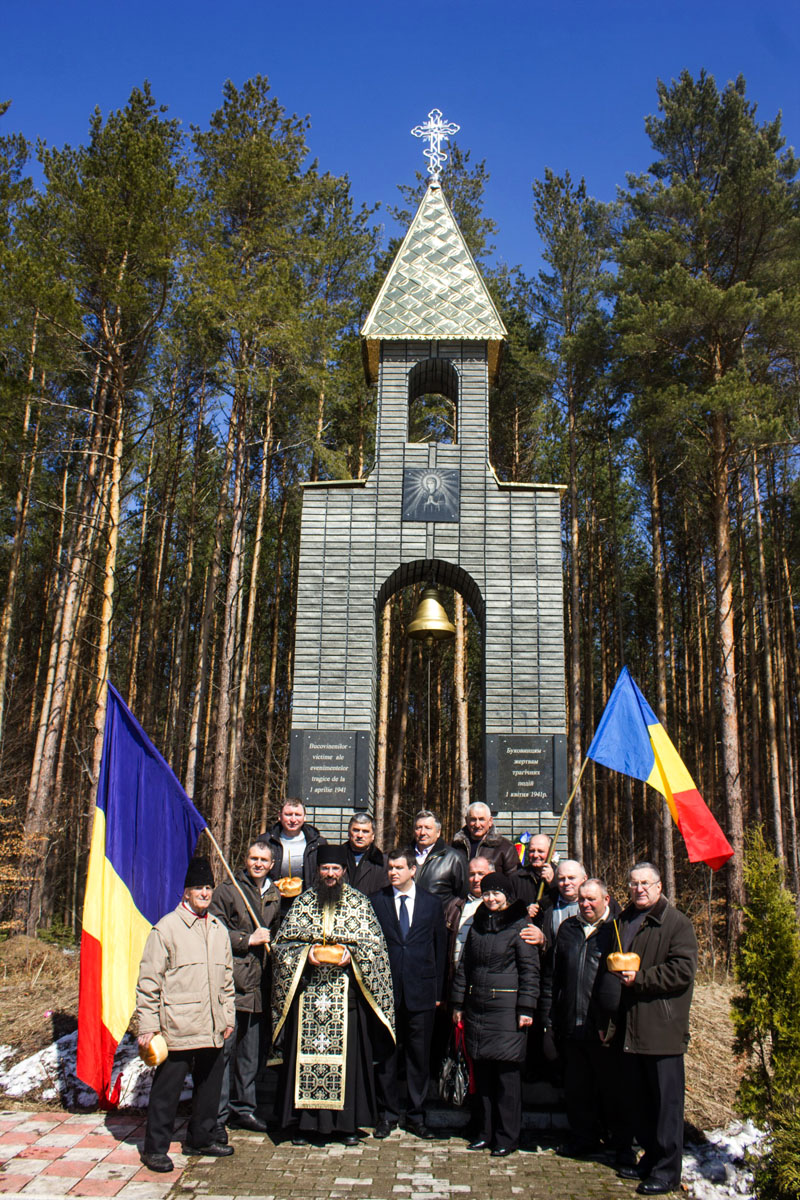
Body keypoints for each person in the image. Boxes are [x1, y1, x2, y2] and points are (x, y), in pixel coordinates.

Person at [271, 845, 395, 1145]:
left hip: (346, 997)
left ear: (344, 872)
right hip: (309, 999)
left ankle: (346, 1126)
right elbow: (282, 945)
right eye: (325, 869)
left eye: (335, 869)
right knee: (305, 1062)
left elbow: (375, 948)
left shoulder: (359, 903)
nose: (330, 874)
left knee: (348, 1063)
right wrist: (307, 953)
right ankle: (305, 1125)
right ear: (318, 871)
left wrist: (350, 957)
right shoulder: (303, 902)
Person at [135, 857, 235, 1173]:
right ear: (186, 893)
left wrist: (228, 1017)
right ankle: (155, 1149)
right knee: (167, 1092)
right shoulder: (166, 929)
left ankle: (200, 1139)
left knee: (209, 1088)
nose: (204, 893)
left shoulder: (219, 929)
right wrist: (148, 1026)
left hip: (213, 1025)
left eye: (208, 887)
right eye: (198, 888)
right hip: (176, 1026)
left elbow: (228, 979)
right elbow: (149, 982)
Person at [609, 862, 698, 1196]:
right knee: (641, 1103)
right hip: (630, 1027)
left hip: (662, 1028)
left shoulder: (676, 924)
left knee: (665, 1106)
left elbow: (682, 971)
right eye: (633, 883)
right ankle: (649, 1158)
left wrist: (640, 980)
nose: (639, 889)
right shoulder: (624, 921)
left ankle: (667, 1170)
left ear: (660, 886)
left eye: (646, 883)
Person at [451, 873, 539, 1157]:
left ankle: (507, 1136)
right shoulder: (477, 924)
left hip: (507, 1013)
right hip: (477, 1009)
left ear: (508, 896)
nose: (490, 898)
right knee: (484, 1077)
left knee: (506, 1079)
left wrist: (526, 1008)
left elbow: (529, 971)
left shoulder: (520, 926)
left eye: (496, 894)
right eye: (487, 893)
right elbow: (465, 967)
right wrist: (458, 1003)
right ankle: (484, 1132)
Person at [539, 877, 626, 1161]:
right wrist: (549, 1017)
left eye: (592, 899)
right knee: (576, 1088)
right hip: (570, 1022)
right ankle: (582, 1138)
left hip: (602, 1026)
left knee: (609, 1088)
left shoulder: (617, 931)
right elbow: (553, 976)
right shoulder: (568, 929)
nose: (586, 904)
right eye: (582, 900)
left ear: (606, 900)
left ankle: (616, 1140)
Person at [371, 848, 447, 1140]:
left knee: (418, 1058)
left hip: (422, 992)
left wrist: (439, 990)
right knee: (387, 1056)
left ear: (413, 870)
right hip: (386, 993)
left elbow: (439, 947)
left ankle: (416, 1115)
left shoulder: (431, 903)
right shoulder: (377, 901)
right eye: (390, 868)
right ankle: (387, 1115)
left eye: (399, 868)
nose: (393, 873)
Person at [209, 840, 281, 1137]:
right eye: (253, 858)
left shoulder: (276, 894)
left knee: (250, 1055)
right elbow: (214, 930)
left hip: (260, 987)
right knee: (225, 1052)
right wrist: (246, 940)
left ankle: (244, 1109)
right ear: (246, 859)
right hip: (232, 984)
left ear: (272, 864)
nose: (258, 864)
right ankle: (217, 1113)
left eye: (264, 860)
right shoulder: (228, 890)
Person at [259, 799, 326, 913]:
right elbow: (255, 869)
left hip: (308, 905)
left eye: (298, 815)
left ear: (305, 817)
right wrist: (268, 886)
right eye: (288, 815)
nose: (293, 820)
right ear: (279, 816)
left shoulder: (318, 843)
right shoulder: (266, 840)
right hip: (273, 905)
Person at [444, 855, 493, 982]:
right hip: (456, 980)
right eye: (472, 874)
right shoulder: (454, 907)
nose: (476, 879)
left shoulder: (502, 907)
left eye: (481, 874)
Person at [413, 810, 466, 905]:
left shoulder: (453, 859)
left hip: (439, 918)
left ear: (438, 832)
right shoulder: (404, 856)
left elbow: (463, 896)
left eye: (428, 828)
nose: (422, 832)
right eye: (418, 828)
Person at [451, 803, 519, 875]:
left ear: (490, 821)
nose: (477, 825)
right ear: (466, 821)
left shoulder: (506, 848)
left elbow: (514, 880)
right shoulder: (456, 845)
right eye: (473, 819)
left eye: (481, 819)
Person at [341, 813, 389, 895]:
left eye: (365, 831)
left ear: (373, 836)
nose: (360, 835)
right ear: (349, 833)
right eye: (356, 830)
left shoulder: (383, 863)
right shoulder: (336, 858)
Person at [513, 833, 558, 916]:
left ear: (552, 853)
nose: (535, 855)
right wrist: (524, 911)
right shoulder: (517, 878)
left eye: (540, 851)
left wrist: (553, 882)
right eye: (532, 851)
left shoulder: (561, 876)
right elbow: (508, 910)